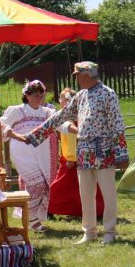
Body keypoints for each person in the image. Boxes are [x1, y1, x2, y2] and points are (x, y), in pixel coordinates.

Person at [14, 62, 127, 245]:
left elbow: (117, 124)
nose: (75, 79)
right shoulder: (81, 96)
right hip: (83, 152)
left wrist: (122, 154)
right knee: (86, 194)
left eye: (77, 75)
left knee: (108, 194)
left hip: (104, 151)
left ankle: (109, 231)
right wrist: (35, 135)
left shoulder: (108, 94)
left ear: (86, 76)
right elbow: (61, 115)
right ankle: (89, 232)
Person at [0, 80, 58, 232]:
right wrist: (16, 135)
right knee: (35, 185)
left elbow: (60, 123)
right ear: (27, 95)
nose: (39, 98)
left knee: (45, 186)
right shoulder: (17, 111)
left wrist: (75, 129)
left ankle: (33, 218)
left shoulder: (47, 112)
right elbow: (1, 125)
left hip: (43, 153)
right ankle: (33, 221)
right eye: (36, 95)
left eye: (41, 95)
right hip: (22, 153)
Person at [47, 88, 105, 219]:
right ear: (60, 101)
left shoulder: (79, 116)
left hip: (77, 157)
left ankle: (97, 210)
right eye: (65, 99)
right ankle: (51, 208)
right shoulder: (62, 115)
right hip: (68, 156)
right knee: (64, 186)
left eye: (71, 100)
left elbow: (76, 137)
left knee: (84, 185)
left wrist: (72, 158)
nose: (67, 102)